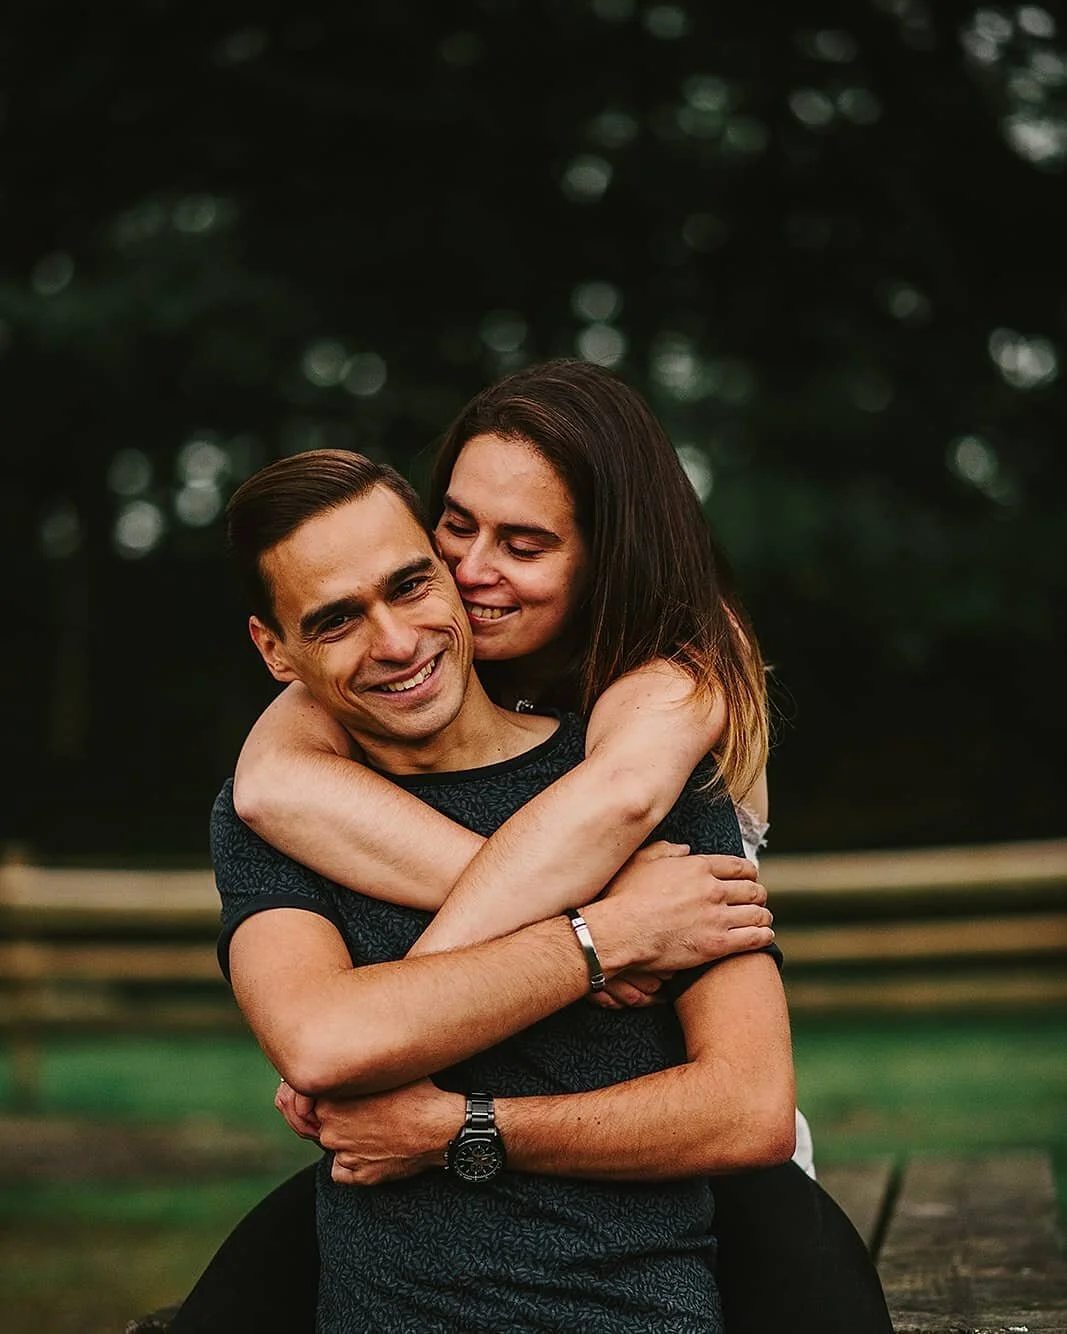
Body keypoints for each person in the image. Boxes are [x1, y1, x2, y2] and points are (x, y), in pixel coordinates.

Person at [170, 360, 891, 1334]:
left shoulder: (667, 686)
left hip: (707, 1180)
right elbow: (268, 782)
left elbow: (616, 802)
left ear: (603, 558)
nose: (471, 570)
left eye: (524, 542)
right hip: (415, 1222)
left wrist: (419, 1059)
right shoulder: (369, 675)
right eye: (454, 527)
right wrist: (601, 930)